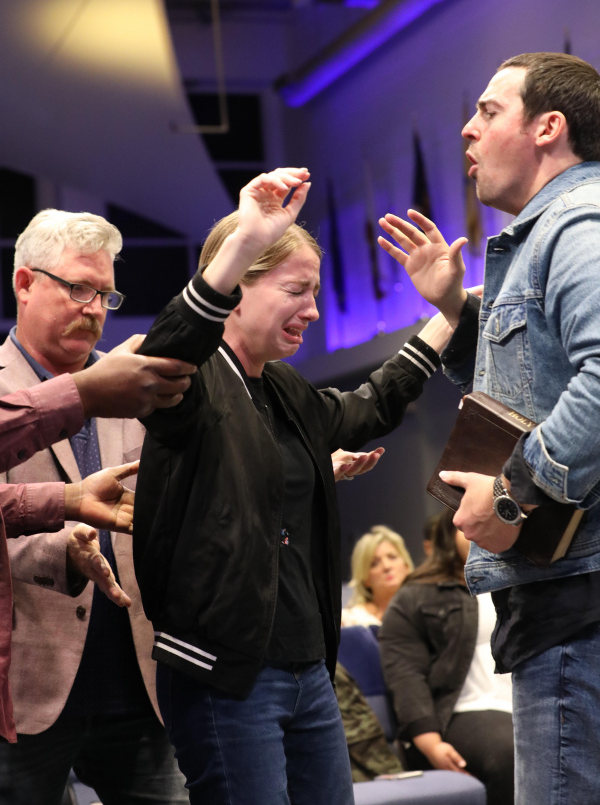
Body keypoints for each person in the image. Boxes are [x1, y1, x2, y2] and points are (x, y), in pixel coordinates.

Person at [131, 166, 453, 805]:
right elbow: (167, 351)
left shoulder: (283, 386)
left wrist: (447, 313)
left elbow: (370, 405)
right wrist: (244, 241)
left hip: (308, 667)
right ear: (237, 290)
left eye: (315, 291)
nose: (312, 310)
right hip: (228, 675)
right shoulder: (191, 379)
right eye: (296, 290)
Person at [377, 52, 600, 805]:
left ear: (549, 127)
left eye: (489, 111)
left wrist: (512, 496)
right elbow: (540, 382)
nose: (468, 131)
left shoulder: (578, 222)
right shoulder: (552, 232)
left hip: (578, 595)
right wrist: (454, 309)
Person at [0, 209, 189, 805]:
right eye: (78, 288)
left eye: (105, 294)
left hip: (137, 682)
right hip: (25, 688)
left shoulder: (131, 385)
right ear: (24, 283)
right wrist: (63, 550)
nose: (95, 308)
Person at [379, 508, 514, 805]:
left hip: (528, 703)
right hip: (463, 711)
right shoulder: (416, 595)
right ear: (450, 533)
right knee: (510, 753)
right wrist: (430, 743)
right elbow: (405, 674)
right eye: (471, 524)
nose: (483, 530)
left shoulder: (523, 583)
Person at [341, 525, 413, 627]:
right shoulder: (350, 621)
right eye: (374, 564)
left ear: (406, 566)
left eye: (392, 557)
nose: (387, 566)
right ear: (365, 578)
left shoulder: (425, 610)